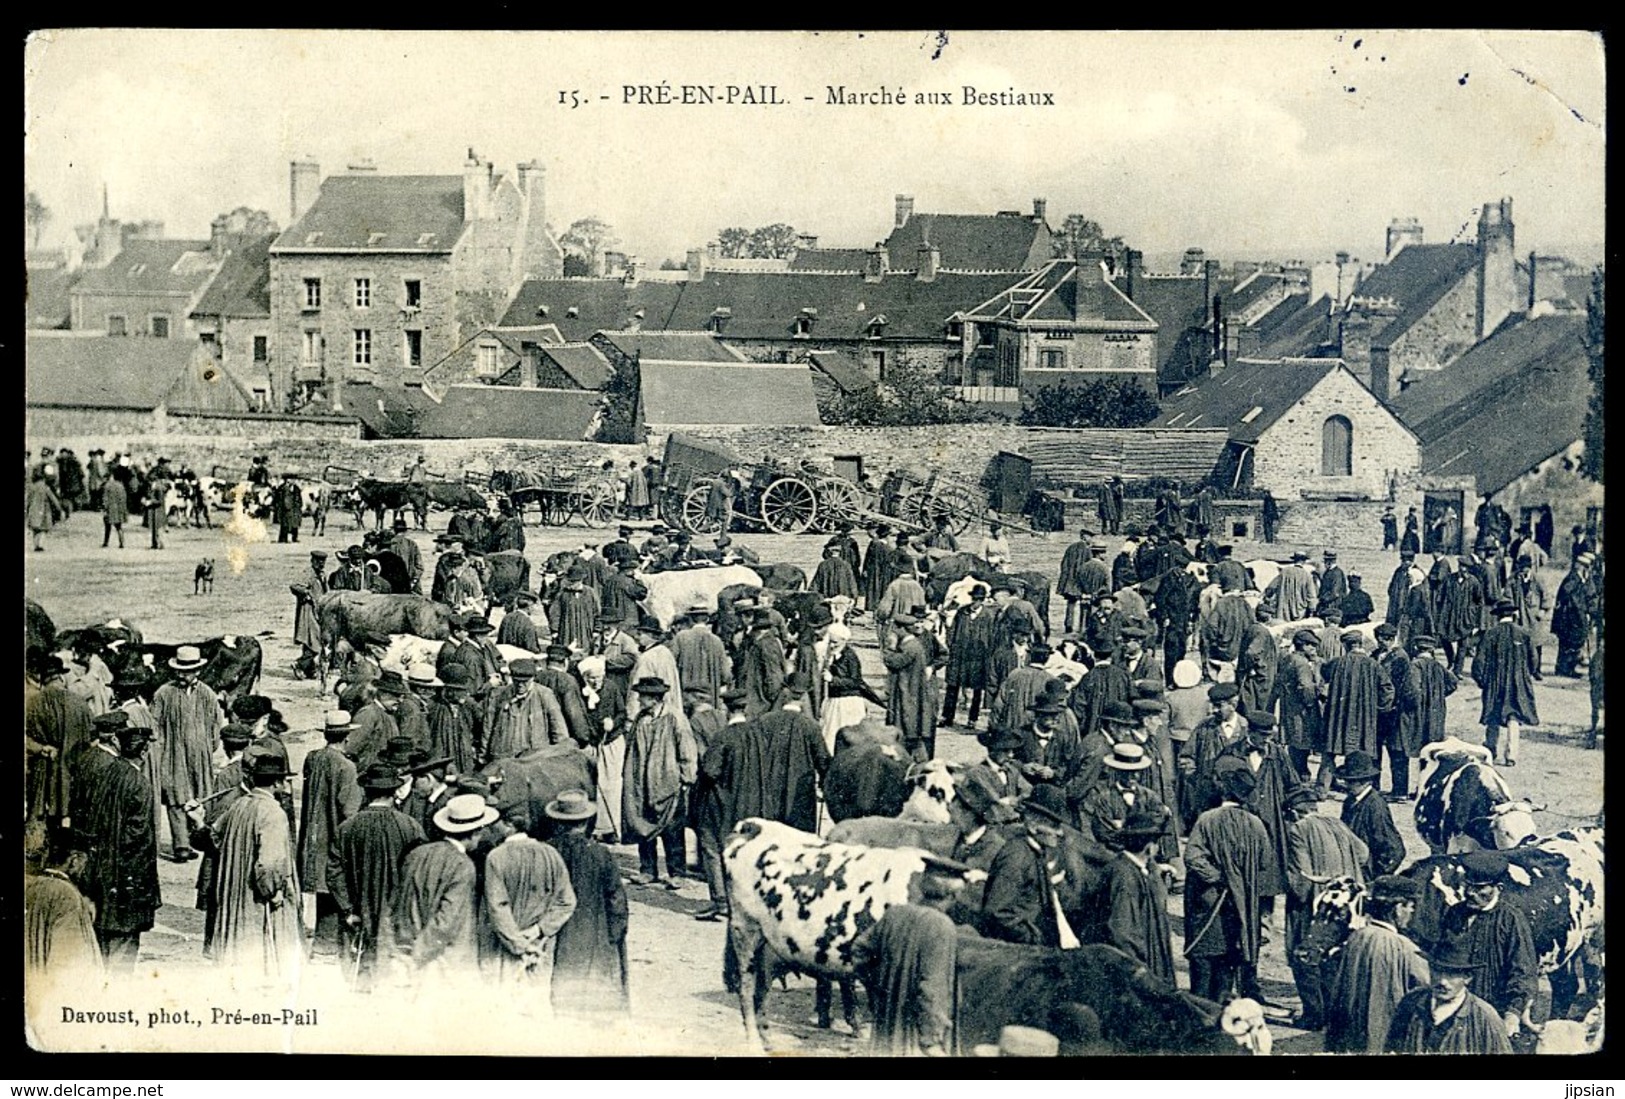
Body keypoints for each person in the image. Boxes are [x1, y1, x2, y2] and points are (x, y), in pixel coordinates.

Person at [852, 870, 976, 1057]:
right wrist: (932, 1040)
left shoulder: (894, 913)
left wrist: (879, 988)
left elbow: (859, 950)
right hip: (914, 1037)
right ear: (954, 895)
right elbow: (932, 989)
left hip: (884, 1027)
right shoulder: (942, 926)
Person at [1182, 757, 1272, 1003]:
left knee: (1202, 973)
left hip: (1208, 905)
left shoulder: (1207, 819)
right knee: (1226, 971)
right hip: (1240, 910)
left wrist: (1218, 877)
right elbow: (1265, 861)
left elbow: (1192, 858)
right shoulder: (1256, 824)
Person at [385, 792, 497, 988]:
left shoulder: (417, 853)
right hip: (439, 960)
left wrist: (397, 952)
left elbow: (395, 903)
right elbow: (446, 921)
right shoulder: (462, 865)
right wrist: (417, 957)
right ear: (474, 832)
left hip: (403, 948)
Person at [210, 751, 304, 984]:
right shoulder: (273, 813)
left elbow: (214, 835)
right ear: (276, 783)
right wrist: (273, 892)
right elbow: (269, 864)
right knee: (264, 958)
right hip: (257, 899)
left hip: (233, 893)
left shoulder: (239, 804)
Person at [331, 762, 425, 991]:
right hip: (397, 917)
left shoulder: (346, 828)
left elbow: (334, 872)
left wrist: (347, 909)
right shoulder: (410, 826)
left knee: (359, 977)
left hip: (357, 913)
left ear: (365, 791)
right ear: (394, 792)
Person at [1282, 783, 1369, 1030]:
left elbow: (1301, 878)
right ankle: (1336, 1012)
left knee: (1304, 955)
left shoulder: (1298, 829)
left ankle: (1314, 1014)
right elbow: (1363, 853)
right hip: (1350, 901)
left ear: (1294, 812)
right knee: (1337, 956)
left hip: (1319, 905)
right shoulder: (1336, 823)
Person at [479, 791, 577, 1000]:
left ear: (508, 825)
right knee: (536, 1002)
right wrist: (538, 930)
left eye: (495, 822)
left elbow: (498, 906)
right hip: (540, 945)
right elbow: (567, 902)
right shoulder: (550, 853)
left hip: (506, 947)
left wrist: (518, 944)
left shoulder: (496, 857)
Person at [1436, 851, 1538, 1046]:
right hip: (1456, 1009)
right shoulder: (1455, 913)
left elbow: (1524, 973)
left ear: (1498, 888)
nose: (1469, 893)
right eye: (1467, 886)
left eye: (1479, 888)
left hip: (1494, 1014)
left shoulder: (1511, 920)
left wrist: (1513, 1014)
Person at [83, 721, 161, 973]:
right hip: (126, 880)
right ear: (143, 752)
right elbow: (139, 842)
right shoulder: (139, 784)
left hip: (99, 873)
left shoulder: (105, 773)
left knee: (101, 944)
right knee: (122, 954)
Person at [543, 791, 630, 1014]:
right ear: (586, 821)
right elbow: (616, 898)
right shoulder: (601, 854)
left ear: (558, 821)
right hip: (595, 928)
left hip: (557, 930)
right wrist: (616, 931)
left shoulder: (548, 851)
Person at [1325, 874, 1427, 1053]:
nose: (1412, 912)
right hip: (1384, 1030)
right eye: (1410, 906)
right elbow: (1426, 985)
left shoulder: (1357, 936)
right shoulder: (1403, 947)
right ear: (1397, 908)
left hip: (1351, 1028)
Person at [152, 646, 226, 862]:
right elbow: (155, 724)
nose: (182, 675)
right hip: (173, 755)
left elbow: (216, 723)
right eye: (180, 670)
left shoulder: (207, 694)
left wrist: (209, 746)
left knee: (200, 795)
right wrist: (162, 751)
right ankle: (181, 845)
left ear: (198, 671)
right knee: (176, 796)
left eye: (187, 671)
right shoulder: (164, 694)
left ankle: (198, 836)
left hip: (200, 756)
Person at [298, 712, 363, 957]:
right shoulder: (346, 767)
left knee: (321, 884)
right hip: (334, 835)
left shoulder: (313, 758)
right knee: (335, 885)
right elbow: (349, 809)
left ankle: (322, 943)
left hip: (314, 833)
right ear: (346, 736)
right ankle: (326, 945)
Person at [621, 675, 694, 886]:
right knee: (643, 826)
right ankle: (647, 870)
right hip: (642, 784)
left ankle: (677, 873)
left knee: (672, 830)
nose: (639, 700)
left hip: (668, 783)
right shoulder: (641, 718)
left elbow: (687, 749)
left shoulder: (675, 718)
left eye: (642, 697)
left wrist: (686, 778)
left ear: (655, 698)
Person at [981, 786, 1074, 948]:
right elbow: (997, 912)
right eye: (1054, 825)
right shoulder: (1016, 856)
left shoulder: (1038, 851)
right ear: (1032, 825)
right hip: (1016, 951)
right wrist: (1034, 938)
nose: (1060, 833)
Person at [1384, 939, 1513, 1054]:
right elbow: (1391, 1048)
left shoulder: (1485, 1017)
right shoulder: (1411, 1002)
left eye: (1451, 974)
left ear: (1467, 978)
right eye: (1437, 971)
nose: (1442, 982)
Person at [1096, 806, 1176, 985]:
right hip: (1136, 971)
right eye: (1156, 842)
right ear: (1149, 847)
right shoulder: (1124, 876)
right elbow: (1123, 931)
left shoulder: (1133, 869)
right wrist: (1139, 975)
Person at [1318, 631, 1394, 796]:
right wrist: (1381, 708)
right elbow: (1387, 689)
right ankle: (1368, 788)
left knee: (1330, 751)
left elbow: (1323, 673)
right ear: (1360, 644)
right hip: (1364, 718)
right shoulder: (1373, 665)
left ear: (1345, 646)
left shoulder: (1338, 663)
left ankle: (1322, 789)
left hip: (1338, 718)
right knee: (1365, 752)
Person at [1473, 599, 1539, 767]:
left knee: (1493, 714)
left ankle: (1490, 750)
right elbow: (1534, 659)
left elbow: (1479, 661)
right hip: (1517, 682)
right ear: (1513, 615)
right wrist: (1526, 675)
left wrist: (1482, 681)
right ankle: (1511, 755)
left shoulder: (1490, 634)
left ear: (1498, 616)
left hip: (1495, 682)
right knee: (1514, 716)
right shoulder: (1523, 633)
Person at [1338, 752, 1405, 877]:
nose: (1347, 785)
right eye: (1346, 781)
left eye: (1352, 782)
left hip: (1365, 873)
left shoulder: (1375, 806)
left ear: (1366, 781)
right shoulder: (1350, 801)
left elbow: (1395, 850)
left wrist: (1375, 877)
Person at [1373, 623, 1421, 800]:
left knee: (1397, 751)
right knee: (1375, 749)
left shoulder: (1401, 658)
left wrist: (1400, 707)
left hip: (1396, 712)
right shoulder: (1377, 654)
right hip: (1380, 711)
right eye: (1379, 640)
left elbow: (1406, 688)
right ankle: (1373, 785)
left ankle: (1399, 790)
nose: (1381, 643)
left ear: (1392, 639)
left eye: (1384, 640)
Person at [884, 612, 938, 761]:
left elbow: (891, 661)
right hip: (907, 692)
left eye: (895, 628)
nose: (893, 631)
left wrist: (889, 647)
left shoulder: (910, 647)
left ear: (902, 629)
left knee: (905, 729)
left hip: (907, 694)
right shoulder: (912, 645)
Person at [1552, 553, 1595, 678]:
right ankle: (1563, 668)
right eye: (1585, 566)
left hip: (1576, 617)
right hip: (1568, 617)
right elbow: (1567, 594)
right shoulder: (1573, 578)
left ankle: (1569, 667)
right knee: (1568, 642)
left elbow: (1589, 595)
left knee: (1574, 642)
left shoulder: (1583, 579)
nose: (1587, 569)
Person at [291, 550, 328, 679]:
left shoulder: (322, 574)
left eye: (323, 562)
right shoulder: (308, 573)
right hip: (308, 611)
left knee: (312, 640)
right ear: (312, 561)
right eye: (318, 561)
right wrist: (307, 594)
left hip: (319, 611)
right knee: (313, 639)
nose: (321, 564)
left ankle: (309, 669)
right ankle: (300, 664)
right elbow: (295, 586)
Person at [26, 469, 62, 552]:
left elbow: (27, 499)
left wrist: (27, 508)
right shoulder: (46, 487)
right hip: (44, 511)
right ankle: (40, 544)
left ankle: (35, 544)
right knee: (43, 529)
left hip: (33, 510)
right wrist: (59, 508)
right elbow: (53, 499)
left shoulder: (32, 487)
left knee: (35, 530)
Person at [99, 467, 129, 549]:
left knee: (107, 527)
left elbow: (105, 498)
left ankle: (106, 542)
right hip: (119, 508)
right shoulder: (121, 486)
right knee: (119, 526)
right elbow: (124, 498)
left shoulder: (108, 486)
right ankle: (122, 542)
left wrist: (104, 508)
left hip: (110, 508)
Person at [273, 472, 303, 543]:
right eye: (292, 479)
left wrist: (299, 505)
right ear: (287, 480)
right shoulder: (282, 488)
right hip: (285, 509)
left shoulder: (296, 488)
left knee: (295, 524)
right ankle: (283, 538)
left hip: (295, 508)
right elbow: (278, 499)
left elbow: (299, 498)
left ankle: (294, 538)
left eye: (294, 479)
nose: (293, 481)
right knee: (285, 524)